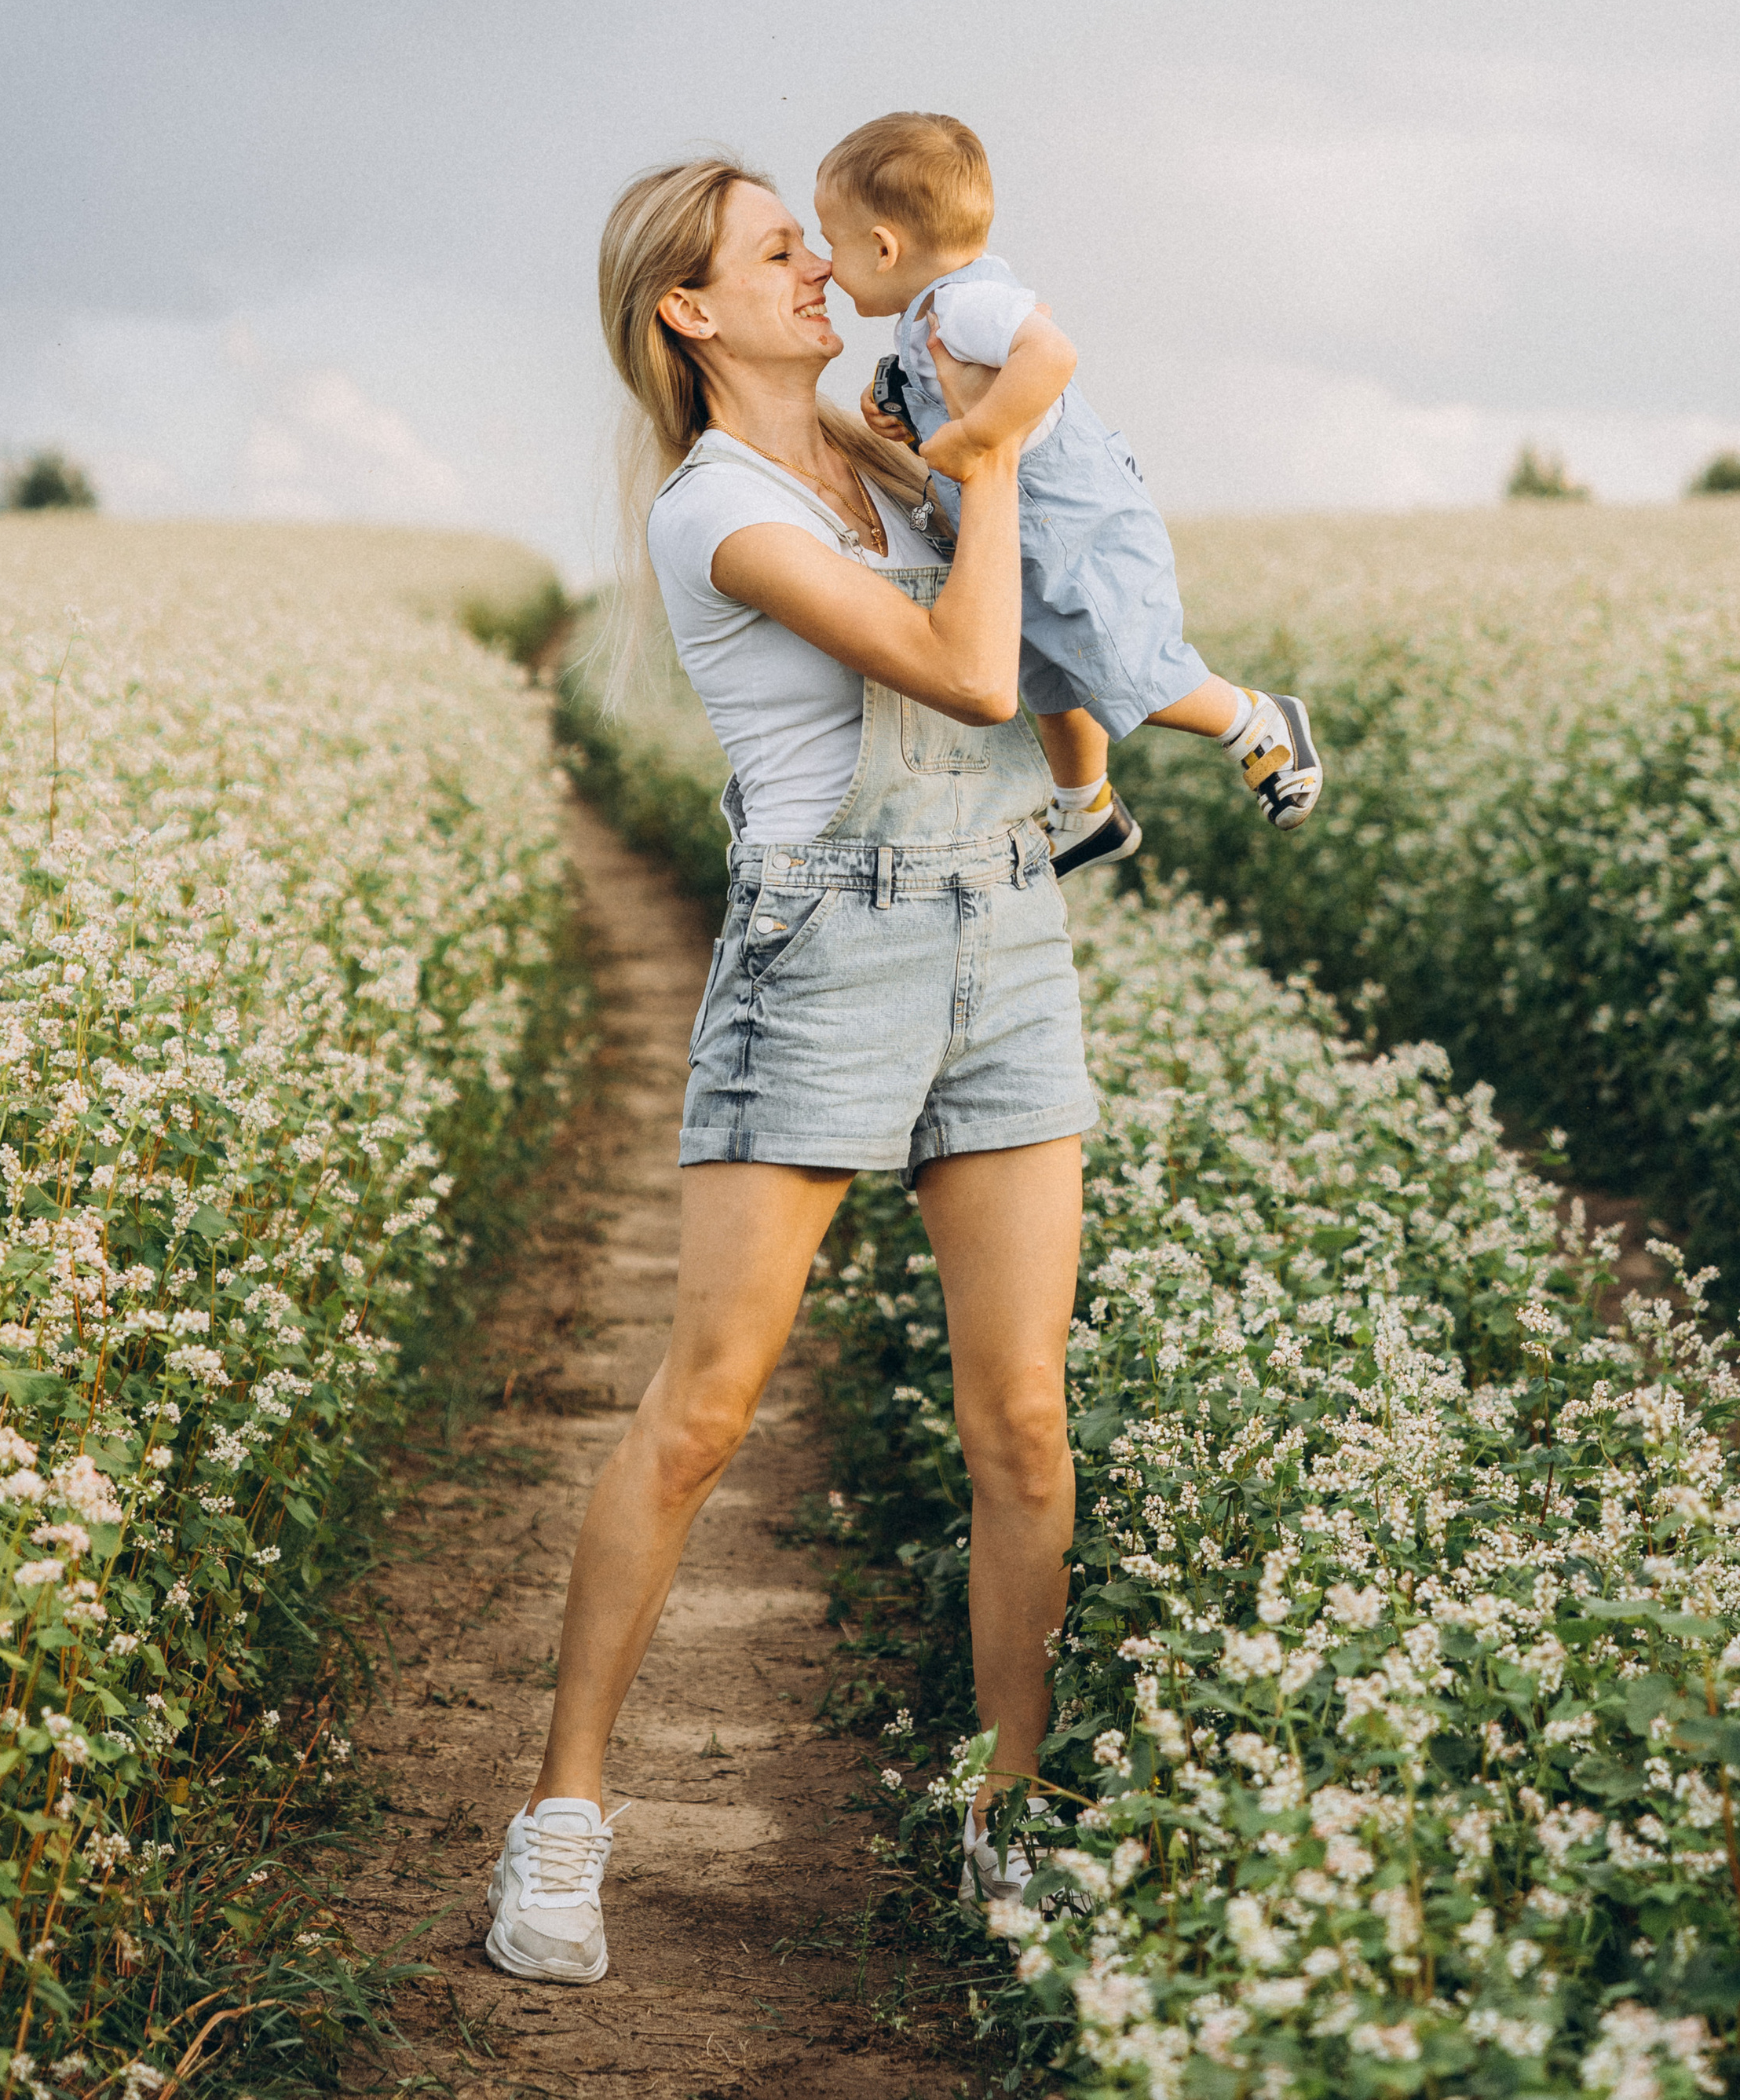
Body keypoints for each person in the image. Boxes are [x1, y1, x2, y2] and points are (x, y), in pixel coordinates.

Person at [485, 155, 1094, 1987]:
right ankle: (562, 1821)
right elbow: (967, 668)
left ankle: (1008, 1815)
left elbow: (1058, 626)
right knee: (701, 1409)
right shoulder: (716, 511)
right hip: (823, 957)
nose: (824, 267)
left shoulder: (872, 443)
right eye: (778, 251)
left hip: (1003, 939)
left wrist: (990, 440)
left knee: (1023, 1424)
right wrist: (993, 454)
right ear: (691, 309)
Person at [813, 110, 1322, 869]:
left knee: (1128, 664)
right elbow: (959, 393)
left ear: (884, 247)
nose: (825, 266)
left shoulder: (966, 305)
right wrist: (901, 404)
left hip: (1071, 525)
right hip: (1025, 531)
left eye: (832, 244)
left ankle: (1256, 720)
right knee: (1050, 670)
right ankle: (1086, 808)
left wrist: (980, 436)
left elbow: (1050, 354)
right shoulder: (931, 316)